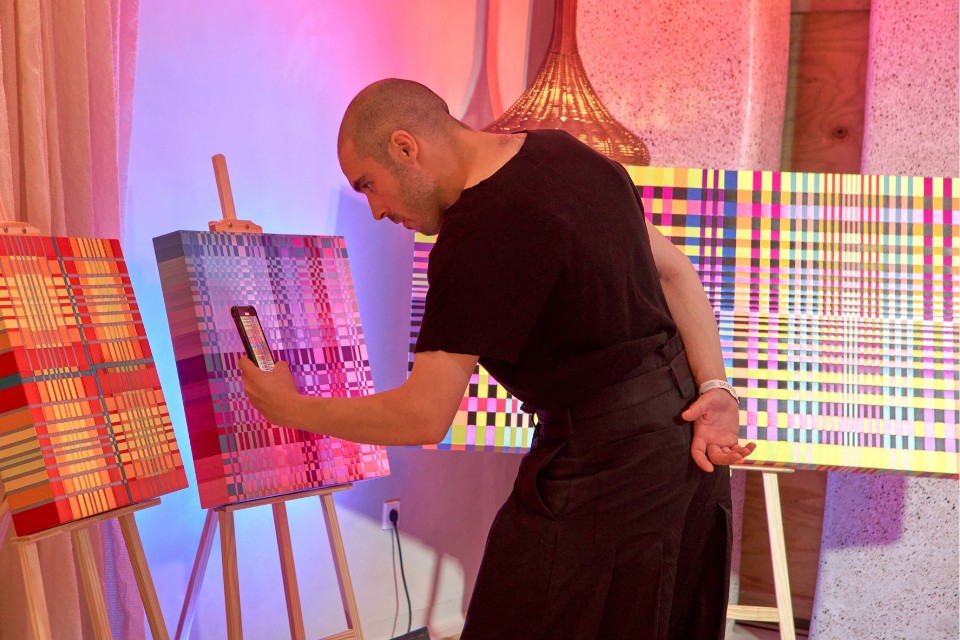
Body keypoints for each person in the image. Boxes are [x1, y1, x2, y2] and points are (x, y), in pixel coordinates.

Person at [240, 78, 756, 639]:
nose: (376, 210)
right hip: (679, 440)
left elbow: (423, 414)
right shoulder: (566, 153)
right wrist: (717, 391)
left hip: (612, 462)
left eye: (370, 185)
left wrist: (291, 408)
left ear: (405, 147)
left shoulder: (475, 238)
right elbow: (676, 271)